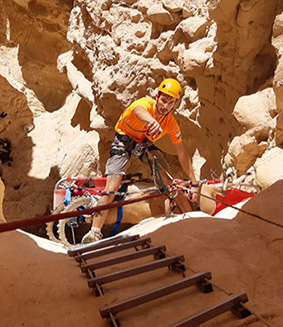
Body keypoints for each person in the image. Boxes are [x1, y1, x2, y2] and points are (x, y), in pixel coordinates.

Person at [81, 78, 198, 244]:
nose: (165, 106)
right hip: (124, 141)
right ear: (157, 97)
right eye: (164, 100)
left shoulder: (170, 123)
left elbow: (182, 153)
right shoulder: (145, 104)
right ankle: (94, 231)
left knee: (169, 179)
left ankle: (192, 218)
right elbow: (138, 110)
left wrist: (194, 183)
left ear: (175, 104)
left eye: (171, 103)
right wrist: (152, 122)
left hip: (145, 144)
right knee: (112, 186)